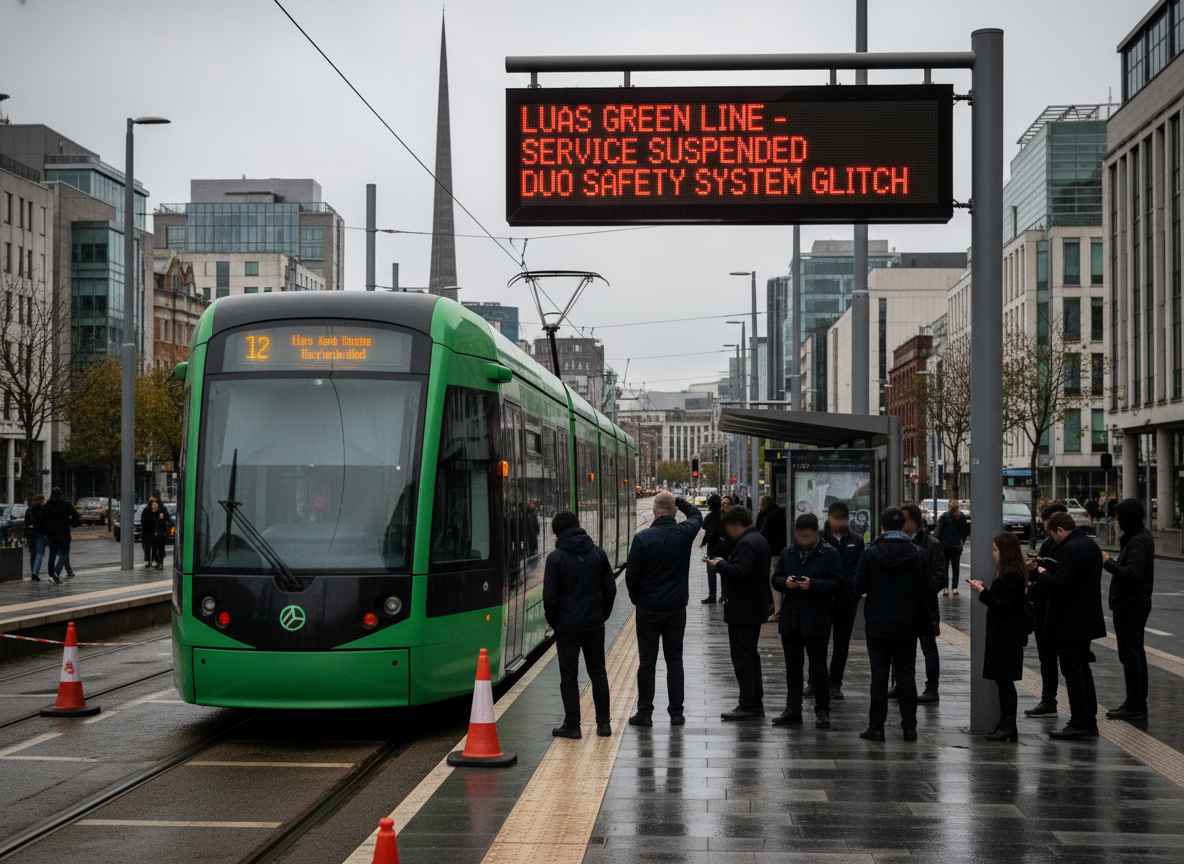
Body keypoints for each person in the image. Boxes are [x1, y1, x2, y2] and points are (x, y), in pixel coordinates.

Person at [625, 491, 702, 727]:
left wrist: (638, 599)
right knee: (674, 660)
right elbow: (697, 515)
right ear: (674, 511)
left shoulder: (642, 539)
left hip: (648, 608)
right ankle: (676, 713)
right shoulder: (684, 533)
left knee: (647, 662)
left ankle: (645, 713)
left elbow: (631, 577)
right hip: (676, 609)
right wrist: (679, 501)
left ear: (654, 511)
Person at [855, 507, 931, 742]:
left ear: (883, 526)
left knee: (878, 676)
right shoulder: (917, 553)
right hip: (907, 623)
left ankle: (876, 727)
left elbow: (859, 586)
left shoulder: (871, 552)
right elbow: (925, 590)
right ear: (903, 526)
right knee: (906, 674)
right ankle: (909, 727)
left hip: (878, 623)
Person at [543, 510, 616, 739]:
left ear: (557, 533)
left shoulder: (555, 559)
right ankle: (604, 724)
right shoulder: (597, 554)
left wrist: (556, 622)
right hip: (594, 624)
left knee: (569, 676)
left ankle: (572, 726)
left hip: (567, 627)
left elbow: (550, 598)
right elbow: (610, 589)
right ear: (578, 526)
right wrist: (602, 615)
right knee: (598, 671)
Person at [1040, 512, 1106, 740]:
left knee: (1073, 672)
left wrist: (1041, 573)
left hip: (1069, 620)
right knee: (1083, 671)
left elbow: (1061, 583)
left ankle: (1079, 722)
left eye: (1052, 534)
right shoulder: (1090, 545)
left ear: (1059, 530)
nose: (1053, 539)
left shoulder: (1069, 549)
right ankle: (1089, 720)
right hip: (1087, 619)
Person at [771, 513, 839, 729]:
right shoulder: (788, 553)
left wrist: (814, 585)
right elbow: (776, 578)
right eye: (800, 536)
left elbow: (838, 583)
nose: (803, 541)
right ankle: (793, 709)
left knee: (818, 668)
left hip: (817, 618)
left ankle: (822, 710)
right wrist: (786, 582)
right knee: (792, 667)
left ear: (816, 534)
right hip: (792, 619)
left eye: (808, 537)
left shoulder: (829, 554)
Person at [707, 506, 771, 721]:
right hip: (753, 608)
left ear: (736, 525)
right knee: (751, 656)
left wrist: (720, 564)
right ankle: (754, 701)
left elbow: (740, 572)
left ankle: (748, 704)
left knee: (742, 657)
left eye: (728, 529)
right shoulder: (758, 539)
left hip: (743, 609)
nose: (728, 534)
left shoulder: (746, 544)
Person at [967, 533, 1030, 742]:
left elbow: (1002, 605)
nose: (993, 554)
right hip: (1005, 635)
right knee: (1003, 682)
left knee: (1005, 683)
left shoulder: (1011, 575)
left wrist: (982, 591)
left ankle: (1008, 726)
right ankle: (1005, 725)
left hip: (1006, 636)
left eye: (995, 550)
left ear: (1005, 552)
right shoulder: (1011, 573)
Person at [1102, 498, 1154, 723]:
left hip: (1131, 605)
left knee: (1130, 654)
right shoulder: (1138, 539)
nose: (1116, 521)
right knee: (1134, 653)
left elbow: (1132, 574)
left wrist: (1108, 562)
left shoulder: (1137, 542)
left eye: (1119, 517)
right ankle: (1135, 702)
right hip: (1133, 604)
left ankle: (1135, 704)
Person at [897, 504, 943, 704]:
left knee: (928, 647)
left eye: (904, 520)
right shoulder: (898, 542)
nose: (900, 524)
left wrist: (921, 587)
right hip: (903, 605)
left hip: (925, 605)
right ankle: (900, 685)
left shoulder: (931, 544)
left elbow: (940, 577)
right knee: (901, 648)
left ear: (914, 521)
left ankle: (931, 688)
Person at [1024, 501, 1067, 718]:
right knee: (1047, 658)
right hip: (1044, 609)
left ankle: (1080, 709)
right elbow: (1039, 576)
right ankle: (1048, 699)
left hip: (1064, 612)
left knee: (1070, 663)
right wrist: (1033, 571)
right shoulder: (1048, 545)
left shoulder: (1070, 547)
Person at [819, 501, 864, 701]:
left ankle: (835, 683)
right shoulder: (820, 538)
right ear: (829, 518)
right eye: (836, 519)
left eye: (843, 519)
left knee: (841, 644)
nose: (839, 523)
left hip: (846, 600)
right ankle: (816, 681)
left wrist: (853, 589)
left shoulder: (856, 540)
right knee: (818, 643)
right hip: (823, 598)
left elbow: (859, 568)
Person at [759, 495, 787, 622]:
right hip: (783, 551)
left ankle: (778, 611)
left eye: (760, 505)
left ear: (765, 505)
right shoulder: (781, 513)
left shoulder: (769, 517)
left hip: (774, 552)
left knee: (774, 580)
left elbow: (763, 535)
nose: (759, 508)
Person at [41, 488, 77, 584]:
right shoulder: (66, 505)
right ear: (61, 495)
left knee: (52, 554)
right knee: (64, 554)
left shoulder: (46, 506)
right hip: (64, 533)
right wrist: (71, 523)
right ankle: (56, 574)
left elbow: (42, 520)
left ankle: (51, 574)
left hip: (51, 534)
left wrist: (45, 531)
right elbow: (76, 516)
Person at [936, 498, 969, 596]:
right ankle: (955, 588)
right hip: (956, 546)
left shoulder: (944, 516)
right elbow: (965, 531)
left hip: (944, 546)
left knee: (945, 568)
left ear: (948, 507)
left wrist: (937, 543)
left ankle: (945, 588)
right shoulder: (962, 516)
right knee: (956, 568)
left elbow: (938, 531)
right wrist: (961, 541)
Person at [700, 494, 725, 604]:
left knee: (711, 573)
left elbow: (707, 529)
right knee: (724, 572)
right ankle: (724, 595)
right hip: (724, 548)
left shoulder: (710, 517)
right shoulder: (724, 515)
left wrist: (704, 542)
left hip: (713, 548)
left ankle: (712, 596)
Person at [25, 495, 45, 581]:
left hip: (30, 534)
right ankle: (35, 573)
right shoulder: (41, 509)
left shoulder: (29, 509)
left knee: (33, 554)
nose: (44, 502)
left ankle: (33, 572)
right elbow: (43, 521)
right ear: (40, 500)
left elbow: (26, 523)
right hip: (39, 533)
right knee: (39, 553)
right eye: (43, 500)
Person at [148, 500, 173, 570]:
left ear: (158, 505)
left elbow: (168, 521)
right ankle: (158, 562)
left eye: (155, 505)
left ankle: (160, 564)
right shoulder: (151, 513)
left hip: (161, 535)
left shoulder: (162, 512)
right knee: (154, 550)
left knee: (161, 549)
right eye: (153, 505)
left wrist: (165, 531)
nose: (153, 506)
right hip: (153, 535)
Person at [140, 497, 156, 568]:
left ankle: (150, 561)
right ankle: (150, 560)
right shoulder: (147, 510)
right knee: (147, 547)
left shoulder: (152, 510)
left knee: (148, 547)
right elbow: (143, 521)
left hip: (149, 532)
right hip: (148, 532)